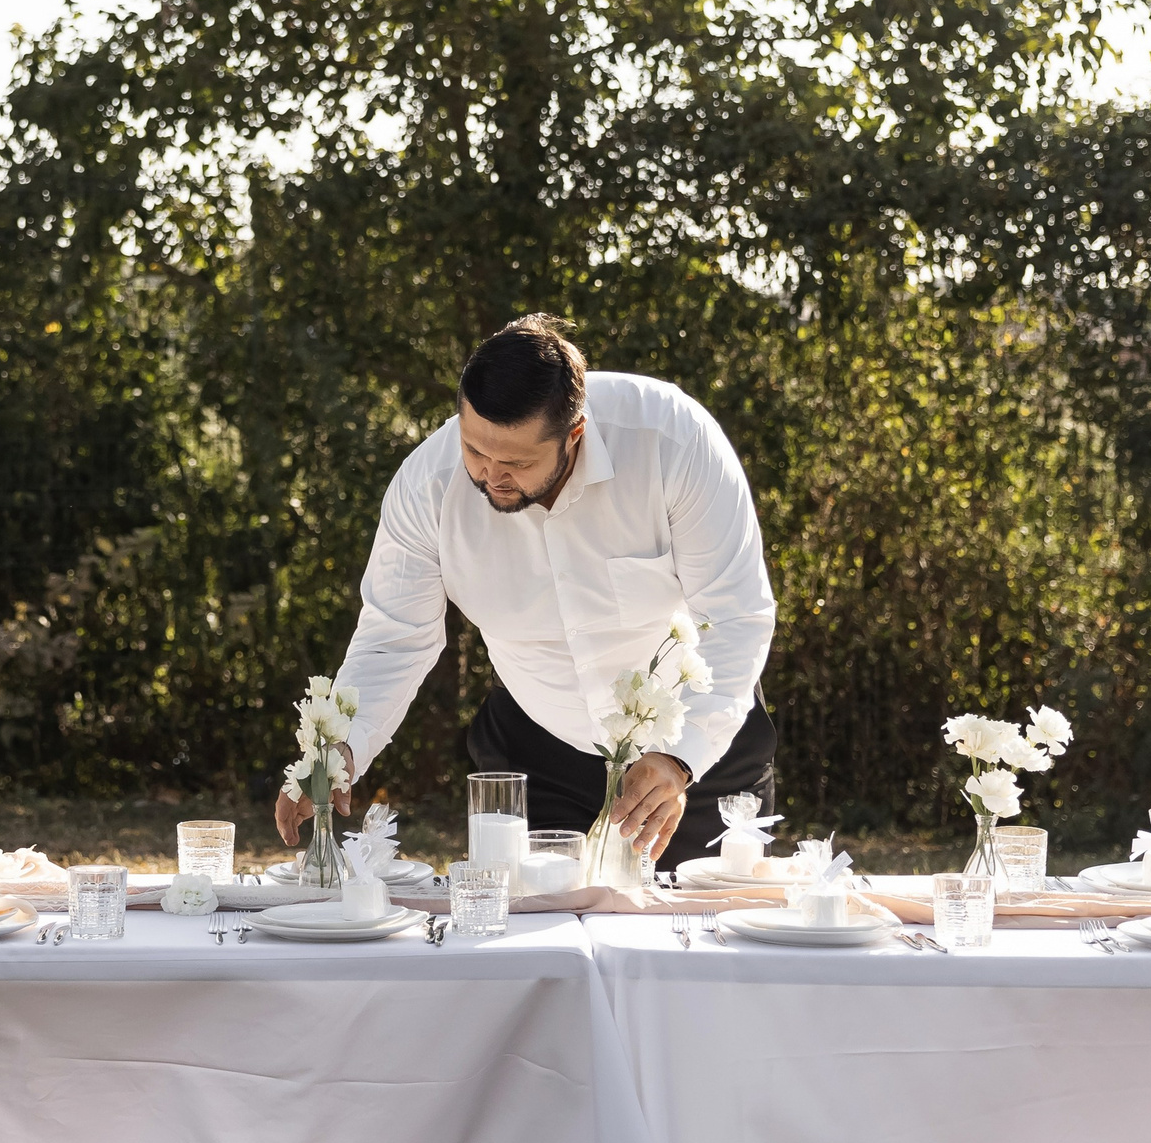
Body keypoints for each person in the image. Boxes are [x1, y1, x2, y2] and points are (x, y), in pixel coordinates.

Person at [274, 315, 777, 871]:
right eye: (474, 450)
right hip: (538, 752)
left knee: (702, 933)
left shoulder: (671, 440)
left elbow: (735, 616)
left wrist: (682, 756)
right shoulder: (427, 486)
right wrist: (340, 750)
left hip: (695, 744)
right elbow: (394, 638)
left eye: (515, 462)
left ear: (575, 434)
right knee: (532, 938)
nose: (491, 475)